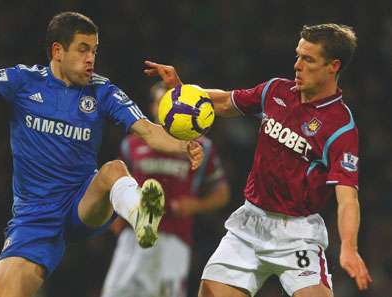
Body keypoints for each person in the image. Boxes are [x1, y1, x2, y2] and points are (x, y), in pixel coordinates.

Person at [0, 12, 203, 297]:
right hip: (35, 217)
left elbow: (147, 129)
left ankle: (141, 215)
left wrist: (183, 146)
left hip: (82, 201)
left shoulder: (103, 90)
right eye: (82, 49)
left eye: (94, 50)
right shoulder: (23, 81)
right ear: (57, 51)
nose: (91, 58)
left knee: (113, 170)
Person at [144, 23, 372, 297]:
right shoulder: (276, 90)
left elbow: (348, 198)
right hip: (249, 225)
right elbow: (225, 102)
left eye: (308, 59)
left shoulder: (340, 128)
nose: (297, 65)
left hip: (297, 234)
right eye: (298, 55)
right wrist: (182, 91)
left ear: (333, 66)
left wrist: (349, 247)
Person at [101, 82, 230, 297]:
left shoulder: (200, 147)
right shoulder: (132, 144)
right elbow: (117, 183)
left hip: (174, 236)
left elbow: (222, 193)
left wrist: (196, 205)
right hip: (133, 234)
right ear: (153, 107)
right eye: (162, 103)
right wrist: (113, 219)